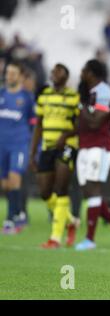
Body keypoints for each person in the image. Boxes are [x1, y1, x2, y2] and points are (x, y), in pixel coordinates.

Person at [74, 59, 110, 251]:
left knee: (94, 189)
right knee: (88, 191)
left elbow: (95, 122)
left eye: (84, 70)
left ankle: (90, 239)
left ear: (92, 73)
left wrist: (80, 107)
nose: (81, 73)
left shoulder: (104, 91)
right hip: (85, 145)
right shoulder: (86, 92)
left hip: (101, 146)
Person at [29, 64, 80, 248]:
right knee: (45, 193)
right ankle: (71, 221)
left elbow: (80, 124)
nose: (55, 74)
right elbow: (39, 125)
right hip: (47, 146)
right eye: (54, 71)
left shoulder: (74, 97)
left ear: (66, 77)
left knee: (61, 189)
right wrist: (32, 153)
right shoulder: (44, 97)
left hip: (67, 147)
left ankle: (55, 238)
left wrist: (66, 136)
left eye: (59, 71)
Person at [0, 62, 36, 234]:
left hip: (19, 144)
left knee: (15, 178)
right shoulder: (1, 94)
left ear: (20, 76)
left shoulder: (27, 98)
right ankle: (18, 215)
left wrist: (30, 143)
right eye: (8, 73)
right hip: (2, 145)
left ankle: (10, 219)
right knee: (6, 184)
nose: (10, 76)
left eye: (13, 73)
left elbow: (34, 122)